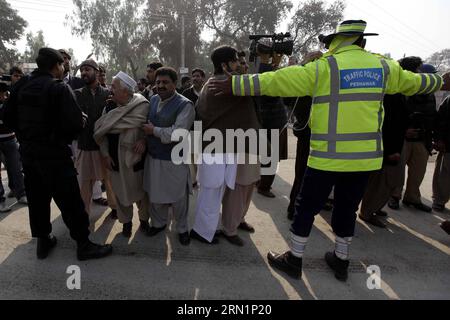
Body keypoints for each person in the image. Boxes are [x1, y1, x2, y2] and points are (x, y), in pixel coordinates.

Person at [208, 20, 449, 281]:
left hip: (327, 158)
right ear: (362, 42)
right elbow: (414, 82)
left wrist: (236, 85)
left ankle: (295, 258)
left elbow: (279, 80)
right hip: (364, 159)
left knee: (306, 208)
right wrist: (438, 80)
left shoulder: (325, 67)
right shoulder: (383, 67)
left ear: (335, 41)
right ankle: (341, 260)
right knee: (346, 209)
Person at [3, 47, 112, 260]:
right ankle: (83, 244)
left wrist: (26, 134)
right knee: (71, 201)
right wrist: (78, 122)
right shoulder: (58, 88)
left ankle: (43, 241)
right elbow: (74, 126)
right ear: (56, 66)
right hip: (54, 155)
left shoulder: (21, 85)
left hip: (29, 154)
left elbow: (7, 117)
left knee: (37, 199)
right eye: (62, 65)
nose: (63, 68)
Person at [192, 46, 261, 245]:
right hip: (217, 149)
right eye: (235, 61)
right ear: (225, 65)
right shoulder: (226, 85)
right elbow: (260, 85)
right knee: (211, 192)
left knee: (215, 191)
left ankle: (207, 230)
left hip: (222, 148)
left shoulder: (214, 83)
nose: (239, 65)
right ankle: (202, 232)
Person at [94, 71, 151, 238]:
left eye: (114, 87)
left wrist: (144, 141)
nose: (111, 90)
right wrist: (105, 154)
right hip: (114, 158)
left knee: (142, 194)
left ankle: (143, 221)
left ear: (126, 91)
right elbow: (101, 132)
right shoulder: (109, 107)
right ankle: (126, 223)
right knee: (120, 194)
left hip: (135, 157)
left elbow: (148, 127)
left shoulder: (142, 106)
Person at [142, 67, 195, 246]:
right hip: (154, 156)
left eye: (165, 82)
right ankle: (158, 224)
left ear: (175, 84)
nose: (161, 86)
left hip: (174, 159)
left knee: (178, 197)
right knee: (155, 194)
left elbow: (179, 133)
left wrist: (154, 131)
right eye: (158, 82)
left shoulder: (185, 104)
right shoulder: (153, 99)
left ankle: (182, 229)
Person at [388, 59, 438, 213]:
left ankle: (412, 198)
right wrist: (405, 130)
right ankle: (394, 196)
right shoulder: (402, 91)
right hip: (404, 138)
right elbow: (395, 117)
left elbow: (433, 116)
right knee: (398, 171)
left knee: (418, 172)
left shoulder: (430, 96)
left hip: (421, 139)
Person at [73, 59, 117, 216]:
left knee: (110, 181)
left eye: (87, 69)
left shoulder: (108, 94)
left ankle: (115, 208)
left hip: (105, 147)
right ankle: (83, 214)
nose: (84, 72)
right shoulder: (76, 94)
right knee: (84, 184)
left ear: (97, 72)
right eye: (82, 70)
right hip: (85, 146)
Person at [359, 93, 408, 228]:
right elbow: (388, 124)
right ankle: (368, 211)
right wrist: (390, 151)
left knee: (384, 181)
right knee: (382, 181)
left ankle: (374, 207)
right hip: (388, 147)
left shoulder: (397, 93)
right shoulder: (392, 95)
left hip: (392, 146)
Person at [255, 41, 289, 198]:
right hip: (273, 122)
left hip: (267, 121)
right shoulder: (264, 75)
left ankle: (260, 182)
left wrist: (272, 64)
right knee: (271, 156)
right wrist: (268, 63)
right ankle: (264, 186)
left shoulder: (263, 72)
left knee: (265, 155)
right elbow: (270, 85)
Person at [0, 81, 27, 212]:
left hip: (10, 139)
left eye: (4, 93)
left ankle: (21, 194)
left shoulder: (9, 102)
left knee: (16, 169)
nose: (3, 96)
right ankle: (1, 201)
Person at [432, 95, 450, 212]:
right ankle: (439, 200)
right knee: (444, 174)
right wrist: (439, 139)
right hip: (448, 146)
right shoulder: (449, 100)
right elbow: (440, 120)